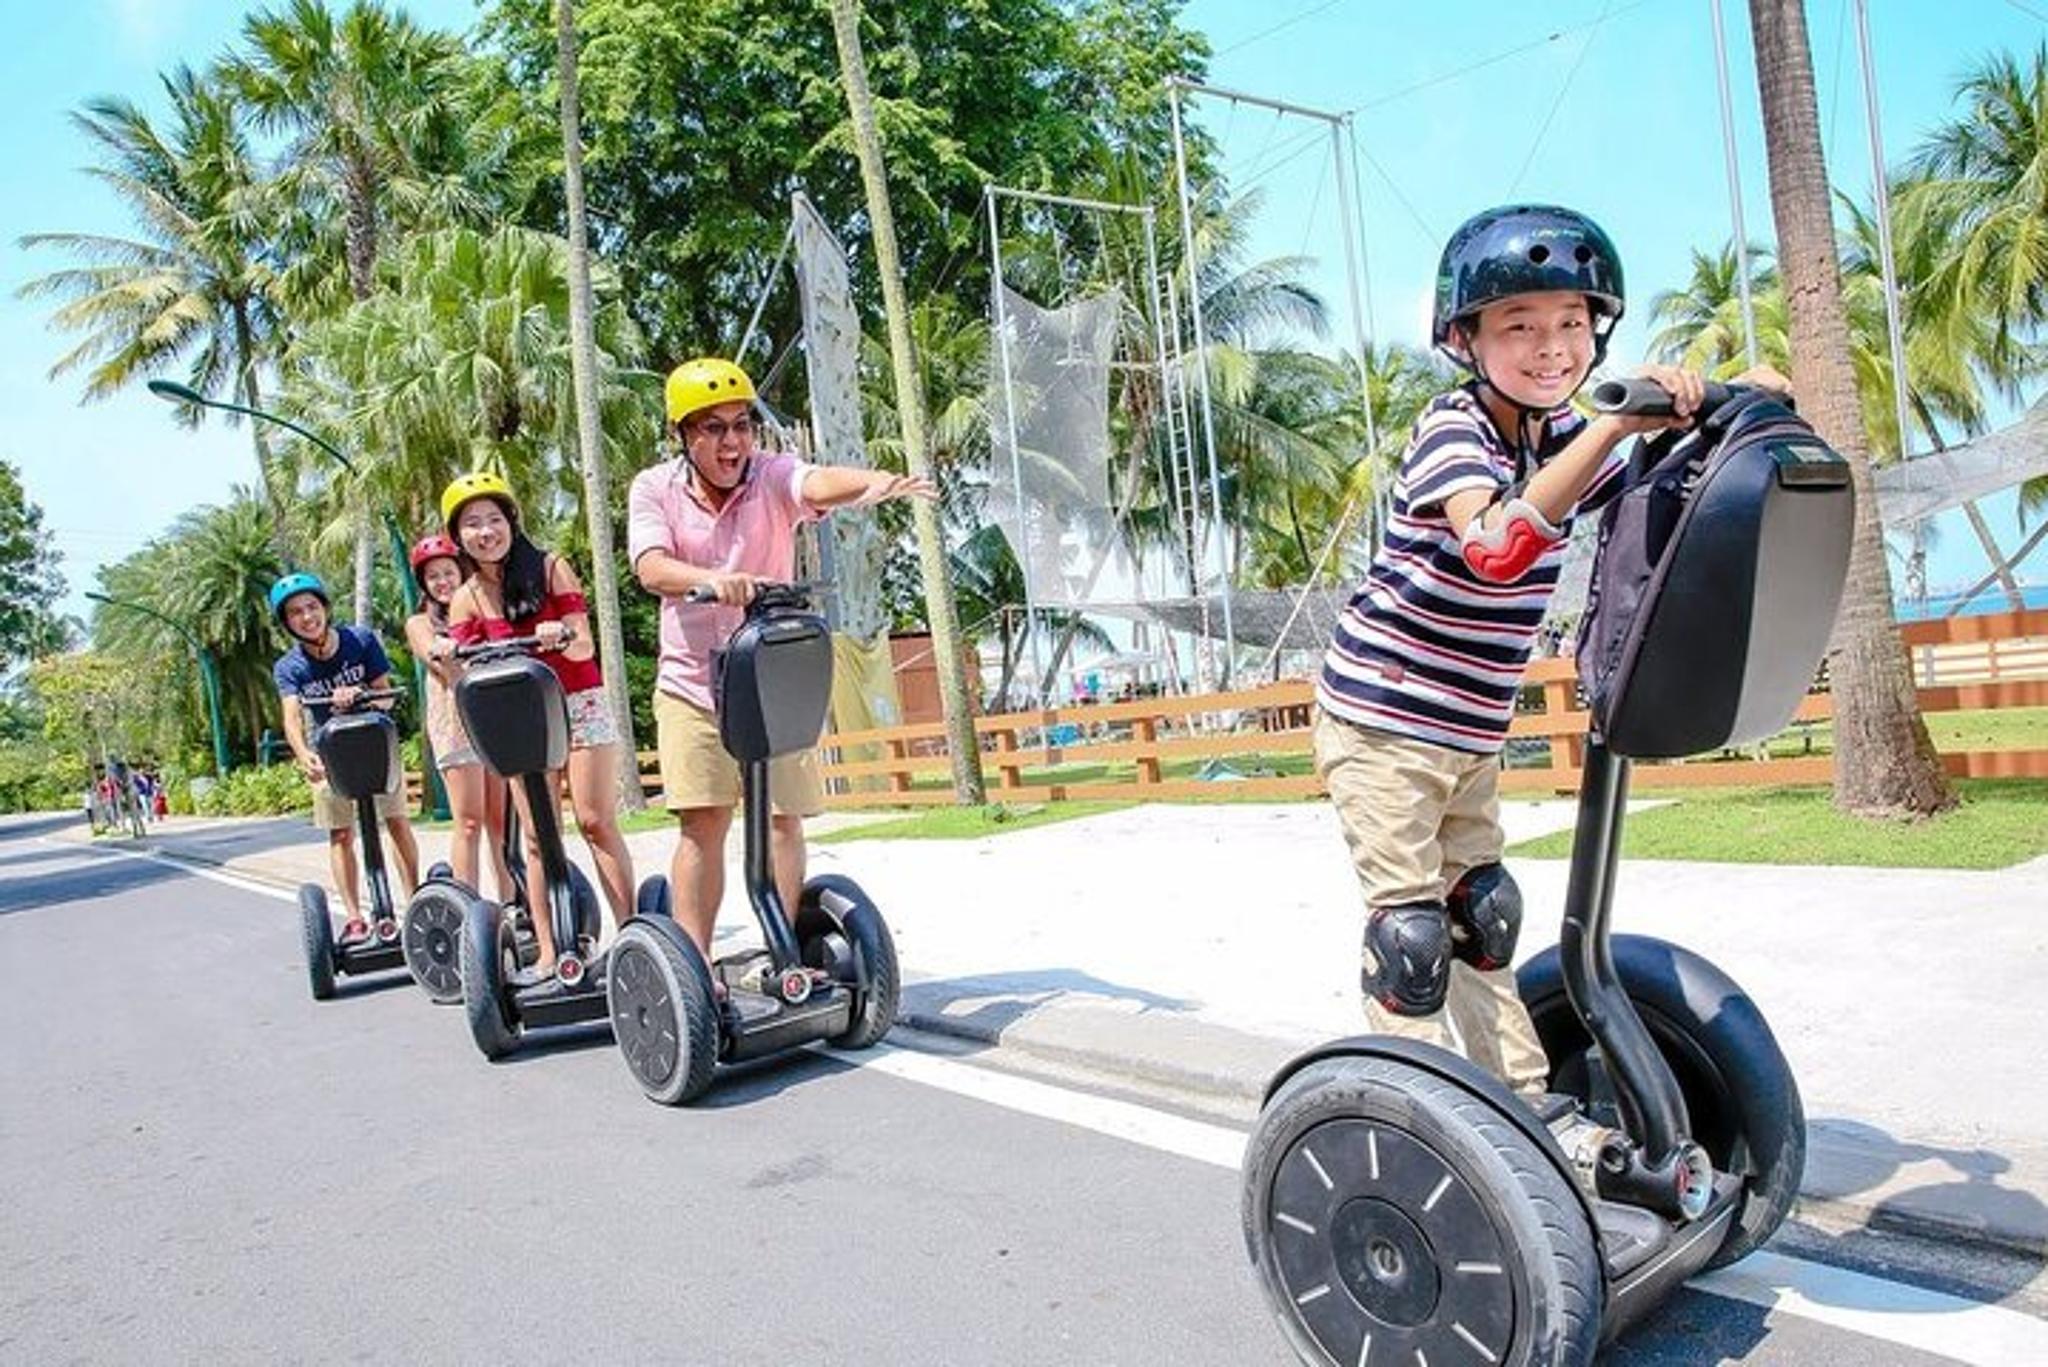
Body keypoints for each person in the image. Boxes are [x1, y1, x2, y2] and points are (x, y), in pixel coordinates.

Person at [1313, 204, 1785, 1097]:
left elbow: (1659, 470)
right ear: (1466, 339)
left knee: (1482, 917)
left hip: (1469, 729)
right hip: (1382, 720)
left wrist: (1728, 398)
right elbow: (1496, 546)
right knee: (1412, 937)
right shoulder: (1453, 429)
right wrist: (1614, 424)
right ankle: (1427, 1113)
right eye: (1519, 326)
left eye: (1571, 323)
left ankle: (1523, 1109)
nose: (1551, 348)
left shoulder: (1567, 438)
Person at [627, 356, 935, 962]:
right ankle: (694, 968)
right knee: (703, 823)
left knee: (781, 819)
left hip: (769, 683)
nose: (732, 441)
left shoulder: (769, 475)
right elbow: (650, 567)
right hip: (693, 685)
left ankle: (785, 951)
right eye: (713, 428)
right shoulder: (654, 488)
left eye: (741, 425)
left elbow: (812, 482)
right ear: (684, 436)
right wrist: (714, 579)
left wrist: (869, 482)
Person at [442, 472, 633, 978]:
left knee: (594, 820)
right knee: (536, 836)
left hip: (576, 701)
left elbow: (585, 643)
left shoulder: (551, 569)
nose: (486, 532)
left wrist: (559, 636)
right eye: (473, 525)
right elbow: (461, 674)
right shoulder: (466, 599)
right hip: (519, 716)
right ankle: (552, 952)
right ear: (459, 537)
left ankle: (632, 936)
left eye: (494, 520)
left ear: (511, 522)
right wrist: (448, 654)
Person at [270, 571, 421, 942]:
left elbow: (385, 695)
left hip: (375, 744)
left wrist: (360, 694)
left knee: (398, 822)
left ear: (324, 607)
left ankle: (417, 903)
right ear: (287, 622)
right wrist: (304, 754)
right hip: (330, 753)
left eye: (311, 607)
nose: (307, 617)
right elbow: (291, 717)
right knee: (340, 834)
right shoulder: (290, 667)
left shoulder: (361, 640)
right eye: (296, 613)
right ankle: (355, 917)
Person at [403, 532, 515, 902]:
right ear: (424, 584)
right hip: (455, 725)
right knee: (469, 822)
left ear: (462, 571)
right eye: (433, 576)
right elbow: (436, 661)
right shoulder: (420, 622)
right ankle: (470, 911)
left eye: (448, 572)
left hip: (494, 720)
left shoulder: (481, 607)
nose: (442, 582)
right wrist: (445, 651)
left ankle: (514, 903)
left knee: (501, 823)